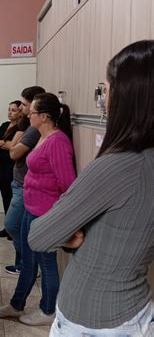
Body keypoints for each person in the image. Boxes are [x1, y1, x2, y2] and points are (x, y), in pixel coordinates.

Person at [29, 40, 154, 336]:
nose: (103, 99)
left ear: (127, 97)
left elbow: (40, 234)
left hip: (96, 319)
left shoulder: (120, 165)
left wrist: (71, 233)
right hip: (132, 311)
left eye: (107, 89)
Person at [0, 92, 76, 326]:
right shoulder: (41, 136)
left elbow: (68, 184)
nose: (28, 113)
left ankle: (48, 310)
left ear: (45, 116)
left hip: (45, 213)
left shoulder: (58, 141)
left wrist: (60, 218)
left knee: (46, 263)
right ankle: (16, 305)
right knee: (28, 261)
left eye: (33, 111)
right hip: (31, 207)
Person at [3, 86, 45, 274]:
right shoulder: (26, 126)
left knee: (11, 225)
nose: (21, 108)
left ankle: (28, 262)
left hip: (24, 185)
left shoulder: (34, 130)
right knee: (18, 226)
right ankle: (23, 264)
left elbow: (13, 152)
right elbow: (3, 142)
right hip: (19, 183)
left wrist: (12, 144)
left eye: (25, 105)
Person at [0, 100, 22, 240]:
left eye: (13, 110)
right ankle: (8, 226)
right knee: (5, 195)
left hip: (12, 166)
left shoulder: (21, 127)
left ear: (20, 111)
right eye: (9, 109)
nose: (10, 112)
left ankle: (14, 226)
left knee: (12, 196)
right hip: (1, 165)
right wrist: (5, 143)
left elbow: (13, 147)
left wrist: (1, 143)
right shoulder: (4, 125)